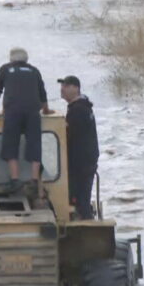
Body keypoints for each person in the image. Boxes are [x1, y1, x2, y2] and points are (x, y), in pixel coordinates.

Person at [0, 47, 53, 193]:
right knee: (34, 143)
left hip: (13, 111)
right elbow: (42, 92)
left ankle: (15, 179)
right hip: (33, 111)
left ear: (11, 59)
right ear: (26, 60)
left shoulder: (5, 69)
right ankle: (34, 179)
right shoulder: (34, 71)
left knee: (11, 143)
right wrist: (46, 109)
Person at [58, 75, 99, 220]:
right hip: (86, 161)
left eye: (66, 86)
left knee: (80, 201)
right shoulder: (83, 107)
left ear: (75, 88)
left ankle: (87, 228)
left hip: (81, 163)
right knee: (81, 199)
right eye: (62, 86)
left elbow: (70, 135)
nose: (62, 90)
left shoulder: (78, 110)